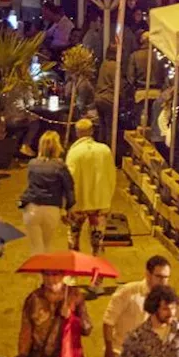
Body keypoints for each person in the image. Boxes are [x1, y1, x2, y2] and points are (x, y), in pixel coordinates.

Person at [66, 117, 115, 288]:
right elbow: (111, 176)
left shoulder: (74, 153)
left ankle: (73, 276)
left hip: (79, 203)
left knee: (74, 240)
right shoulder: (105, 151)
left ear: (77, 132)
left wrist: (67, 204)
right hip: (99, 203)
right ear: (92, 131)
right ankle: (97, 282)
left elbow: (69, 180)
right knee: (97, 244)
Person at [102, 255, 172, 357]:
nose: (163, 282)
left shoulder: (167, 299)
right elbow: (108, 322)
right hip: (123, 356)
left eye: (166, 277)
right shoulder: (127, 292)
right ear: (148, 275)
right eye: (159, 277)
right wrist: (109, 351)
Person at [17, 271, 92, 357]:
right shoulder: (34, 298)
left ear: (63, 276)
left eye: (55, 274)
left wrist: (71, 317)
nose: (50, 279)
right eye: (46, 274)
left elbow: (87, 329)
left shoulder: (74, 295)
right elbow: (26, 329)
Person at [116, 285, 179, 357]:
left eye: (173, 308)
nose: (171, 313)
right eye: (165, 309)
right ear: (154, 308)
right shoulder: (136, 336)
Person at [19, 131, 75, 255]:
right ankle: (45, 273)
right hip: (51, 209)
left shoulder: (32, 164)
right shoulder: (60, 166)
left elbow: (30, 184)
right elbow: (69, 189)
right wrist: (69, 208)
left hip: (32, 208)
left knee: (35, 247)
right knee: (46, 246)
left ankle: (37, 272)